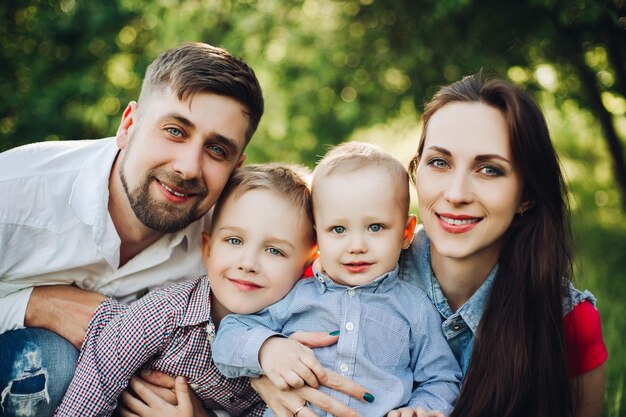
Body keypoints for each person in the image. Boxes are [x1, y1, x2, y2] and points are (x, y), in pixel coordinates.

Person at [248, 75, 608, 417]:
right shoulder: (342, 270)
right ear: (417, 171)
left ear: (526, 194)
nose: (455, 194)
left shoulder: (566, 322)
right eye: (440, 162)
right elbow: (230, 331)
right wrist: (263, 366)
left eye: (489, 170)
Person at [0, 42, 264, 417]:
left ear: (237, 165)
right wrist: (31, 305)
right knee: (52, 361)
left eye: (217, 150)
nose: (189, 167)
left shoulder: (229, 248)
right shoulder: (14, 191)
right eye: (174, 130)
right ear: (128, 125)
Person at [213, 142, 462, 417]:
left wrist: (421, 409)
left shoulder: (415, 308)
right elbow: (229, 336)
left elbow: (442, 378)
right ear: (317, 236)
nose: (356, 245)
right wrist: (266, 348)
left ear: (406, 233)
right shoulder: (295, 294)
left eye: (375, 227)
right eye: (338, 229)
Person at [54, 164, 319, 417]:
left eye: (274, 250)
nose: (248, 263)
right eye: (234, 240)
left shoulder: (293, 343)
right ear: (208, 249)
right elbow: (100, 373)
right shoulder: (167, 311)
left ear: (308, 266)